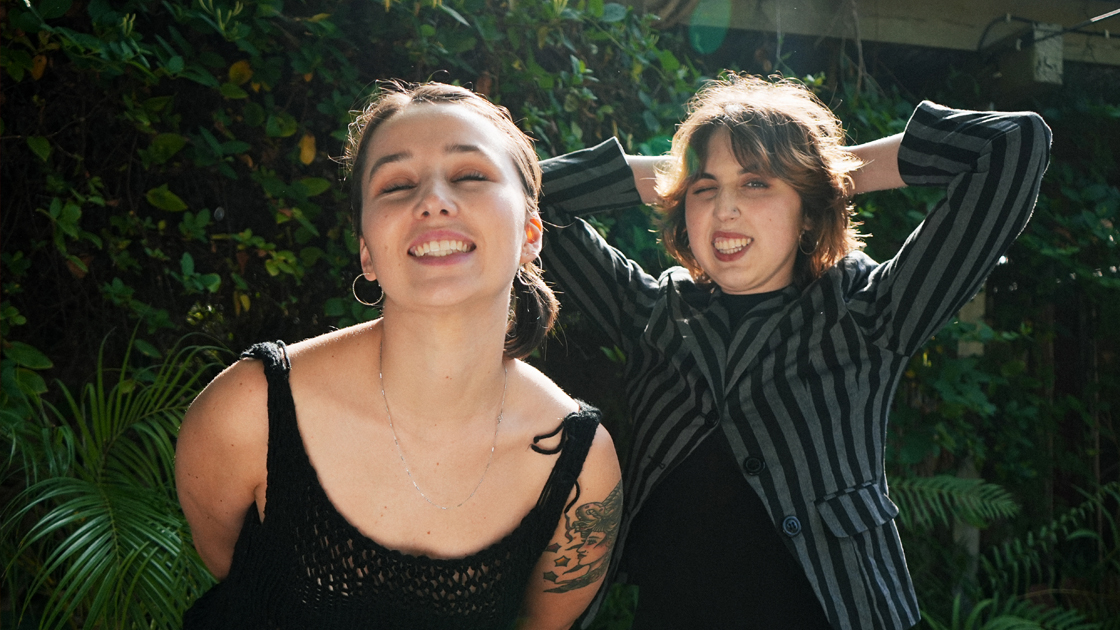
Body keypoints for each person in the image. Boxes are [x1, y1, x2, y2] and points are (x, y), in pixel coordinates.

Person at [537, 74, 1051, 629]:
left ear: (809, 210)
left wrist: (826, 167)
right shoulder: (649, 312)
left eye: (757, 184)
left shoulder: (872, 313)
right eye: (705, 189)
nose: (725, 209)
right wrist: (680, 173)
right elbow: (526, 194)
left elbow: (1012, 146)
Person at [175, 82, 623, 630]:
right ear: (367, 249)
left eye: (470, 176)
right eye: (396, 184)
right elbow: (224, 561)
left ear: (531, 233)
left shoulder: (579, 468)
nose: (432, 200)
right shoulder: (249, 410)